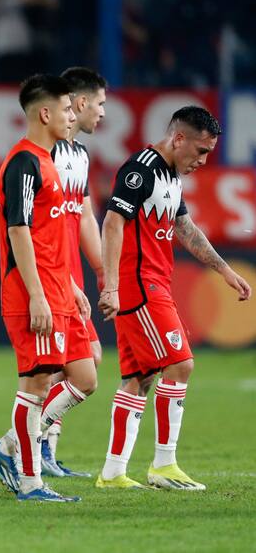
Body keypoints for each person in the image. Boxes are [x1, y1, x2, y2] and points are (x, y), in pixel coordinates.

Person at [96, 106, 251, 490]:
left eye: (209, 153)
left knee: (139, 377)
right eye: (200, 151)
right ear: (178, 138)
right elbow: (113, 221)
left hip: (154, 283)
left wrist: (224, 270)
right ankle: (164, 465)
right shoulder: (141, 169)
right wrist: (111, 286)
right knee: (180, 364)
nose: (202, 160)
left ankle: (113, 473)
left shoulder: (169, 175)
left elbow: (184, 227)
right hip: (140, 284)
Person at [0, 74, 96, 503]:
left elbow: (49, 238)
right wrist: (37, 295)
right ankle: (30, 481)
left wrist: (68, 284)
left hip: (58, 290)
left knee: (83, 375)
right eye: (67, 109)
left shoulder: (48, 162)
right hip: (33, 293)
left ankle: (13, 449)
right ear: (45, 113)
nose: (73, 115)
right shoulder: (23, 163)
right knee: (35, 385)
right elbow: (19, 230)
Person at [39, 66, 108, 477]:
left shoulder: (79, 156)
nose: (101, 113)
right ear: (79, 103)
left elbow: (82, 217)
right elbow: (35, 228)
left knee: (77, 365)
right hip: (50, 276)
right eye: (99, 104)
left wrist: (102, 271)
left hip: (71, 276)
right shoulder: (42, 156)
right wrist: (64, 280)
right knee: (61, 369)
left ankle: (42, 450)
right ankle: (26, 445)